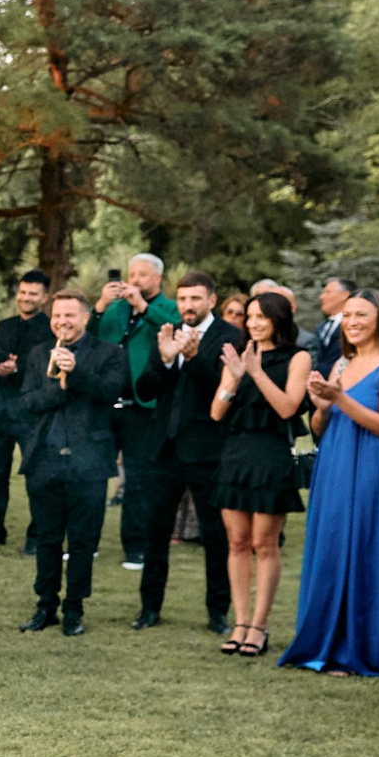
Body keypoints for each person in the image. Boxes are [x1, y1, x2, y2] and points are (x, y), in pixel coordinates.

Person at [280, 288, 379, 676]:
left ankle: (360, 647)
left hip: (375, 462)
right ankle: (325, 640)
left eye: (362, 315)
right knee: (333, 544)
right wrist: (322, 408)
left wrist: (339, 399)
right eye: (348, 315)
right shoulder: (342, 361)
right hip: (335, 460)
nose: (353, 322)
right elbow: (322, 427)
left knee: (365, 543)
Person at [13, 291, 130, 635]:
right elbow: (28, 402)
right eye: (57, 316)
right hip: (45, 459)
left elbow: (110, 393)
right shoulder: (38, 354)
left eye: (70, 315)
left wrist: (75, 373)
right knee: (47, 539)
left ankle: (74, 609)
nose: (62, 322)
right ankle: (45, 606)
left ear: (85, 318)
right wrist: (58, 388)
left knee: (82, 541)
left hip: (89, 461)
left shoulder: (111, 354)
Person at [129, 269, 239, 631]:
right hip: (163, 449)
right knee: (155, 532)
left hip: (207, 451)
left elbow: (223, 392)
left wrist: (192, 360)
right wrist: (163, 361)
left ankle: (218, 613)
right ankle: (149, 609)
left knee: (215, 535)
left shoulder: (230, 337)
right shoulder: (167, 332)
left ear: (212, 301)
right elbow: (143, 390)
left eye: (195, 299)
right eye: (182, 299)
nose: (187, 306)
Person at [209, 290, 312, 659]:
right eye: (249, 316)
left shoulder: (297, 357)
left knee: (264, 543)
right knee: (236, 541)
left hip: (271, 455)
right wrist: (234, 380)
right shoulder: (238, 356)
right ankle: (239, 622)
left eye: (261, 317)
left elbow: (288, 408)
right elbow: (217, 413)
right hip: (236, 454)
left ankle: (259, 626)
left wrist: (256, 372)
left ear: (278, 320)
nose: (252, 323)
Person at [94, 252, 181, 571]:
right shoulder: (115, 309)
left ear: (158, 278)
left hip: (142, 409)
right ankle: (86, 542)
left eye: (143, 275)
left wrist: (143, 307)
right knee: (94, 475)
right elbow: (89, 335)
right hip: (106, 406)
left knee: (139, 478)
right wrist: (101, 305)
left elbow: (174, 328)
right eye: (132, 274)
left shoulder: (167, 307)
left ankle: (135, 547)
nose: (135, 280)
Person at [0, 270, 52, 551]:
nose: (25, 298)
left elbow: (47, 370)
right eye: (22, 292)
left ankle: (36, 536)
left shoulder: (50, 329)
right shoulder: (5, 326)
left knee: (36, 476)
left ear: (44, 298)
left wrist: (17, 368)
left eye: (33, 293)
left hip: (31, 414)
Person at [309, 275, 357, 376]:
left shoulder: (355, 327)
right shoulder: (321, 327)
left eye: (328, 292)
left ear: (345, 295)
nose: (321, 297)